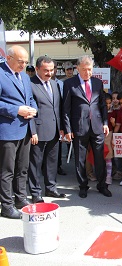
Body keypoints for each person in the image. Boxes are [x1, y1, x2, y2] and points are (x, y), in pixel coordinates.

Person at [63, 55, 111, 198]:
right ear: (77, 69)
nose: (87, 72)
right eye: (84, 69)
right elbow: (66, 109)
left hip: (97, 126)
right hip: (79, 127)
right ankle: (83, 186)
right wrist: (68, 129)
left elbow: (102, 105)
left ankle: (102, 185)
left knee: (100, 158)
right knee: (80, 159)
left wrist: (105, 123)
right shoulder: (69, 84)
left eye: (89, 69)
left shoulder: (97, 83)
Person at [0, 45, 38, 219]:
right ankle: (6, 206)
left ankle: (20, 198)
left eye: (25, 62)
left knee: (22, 168)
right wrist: (17, 110)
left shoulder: (24, 76)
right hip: (7, 130)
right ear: (9, 58)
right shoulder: (1, 73)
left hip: (25, 129)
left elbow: (30, 98)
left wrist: (33, 109)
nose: (23, 65)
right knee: (7, 170)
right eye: (20, 62)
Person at [28, 56, 66, 204]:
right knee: (35, 164)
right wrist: (32, 131)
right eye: (46, 70)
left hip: (55, 130)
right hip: (38, 131)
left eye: (51, 70)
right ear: (37, 69)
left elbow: (58, 107)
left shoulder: (55, 84)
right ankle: (36, 192)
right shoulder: (30, 84)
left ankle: (51, 187)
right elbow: (30, 109)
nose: (49, 73)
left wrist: (62, 127)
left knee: (52, 161)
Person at [52, 60, 67, 176]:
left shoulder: (61, 84)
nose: (54, 70)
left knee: (58, 143)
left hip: (59, 116)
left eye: (55, 67)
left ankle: (58, 166)